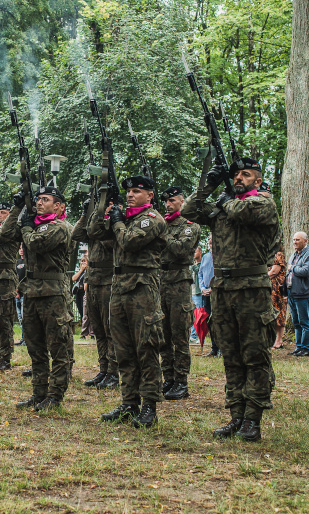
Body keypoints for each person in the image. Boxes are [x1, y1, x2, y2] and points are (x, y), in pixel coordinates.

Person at [183, 158, 280, 442]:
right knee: (231, 356)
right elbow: (189, 209)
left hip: (251, 288)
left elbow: (240, 211)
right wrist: (211, 183)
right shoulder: (225, 205)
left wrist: (224, 198)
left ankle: (253, 418)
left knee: (254, 355)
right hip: (223, 288)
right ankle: (236, 415)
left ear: (258, 181)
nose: (239, 178)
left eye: (245, 175)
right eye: (235, 174)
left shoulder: (262, 203)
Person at [95, 176, 167, 429]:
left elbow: (129, 241)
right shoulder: (125, 219)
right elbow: (93, 234)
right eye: (128, 192)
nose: (130, 195)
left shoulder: (153, 219)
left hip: (142, 287)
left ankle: (149, 406)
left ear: (150, 195)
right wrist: (106, 211)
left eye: (136, 191)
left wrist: (116, 223)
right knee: (123, 350)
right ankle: (129, 402)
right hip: (120, 285)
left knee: (145, 348)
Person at [4, 186, 74, 411]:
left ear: (59, 206)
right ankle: (38, 392)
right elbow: (5, 235)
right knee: (36, 347)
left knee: (58, 348)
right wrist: (18, 209)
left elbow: (36, 243)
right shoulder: (33, 225)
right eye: (37, 199)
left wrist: (26, 226)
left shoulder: (60, 227)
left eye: (45, 199)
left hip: (53, 293)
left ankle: (55, 396)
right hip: (32, 291)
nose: (39, 203)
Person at [158, 186, 200, 401]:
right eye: (165, 201)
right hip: (160, 283)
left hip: (179, 283)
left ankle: (182, 382)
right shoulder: (162, 225)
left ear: (183, 202)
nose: (167, 204)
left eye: (172, 200)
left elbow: (181, 250)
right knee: (163, 336)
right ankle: (169, 379)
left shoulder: (189, 226)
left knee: (179, 336)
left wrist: (162, 232)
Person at [78, 200, 119, 389]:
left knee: (111, 330)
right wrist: (87, 214)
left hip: (108, 281)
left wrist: (103, 221)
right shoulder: (95, 220)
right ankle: (103, 369)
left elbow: (113, 243)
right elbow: (77, 234)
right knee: (99, 331)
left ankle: (113, 371)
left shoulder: (113, 222)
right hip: (93, 281)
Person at [0, 202, 20, 372]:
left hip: (4, 279)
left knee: (3, 321)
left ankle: (5, 358)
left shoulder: (12, 231)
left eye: (3, 212)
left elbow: (2, 235)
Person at [286, 231, 309, 357]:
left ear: (305, 241)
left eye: (297, 240)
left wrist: (292, 268)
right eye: (293, 240)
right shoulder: (294, 255)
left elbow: (305, 271)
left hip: (302, 293)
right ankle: (298, 347)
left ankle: (306, 348)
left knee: (304, 321)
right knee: (296, 322)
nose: (295, 242)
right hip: (292, 292)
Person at [197, 245, 216, 356]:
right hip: (206, 294)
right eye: (209, 239)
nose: (210, 240)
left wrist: (214, 288)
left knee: (219, 320)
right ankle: (214, 348)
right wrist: (203, 288)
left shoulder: (221, 255)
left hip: (217, 292)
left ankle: (222, 349)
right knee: (209, 320)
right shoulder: (206, 257)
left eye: (212, 238)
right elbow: (200, 274)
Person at [269, 249, 287, 349]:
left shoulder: (278, 255)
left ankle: (279, 341)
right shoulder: (267, 254)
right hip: (269, 289)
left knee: (279, 313)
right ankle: (273, 339)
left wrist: (261, 278)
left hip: (277, 290)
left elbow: (274, 272)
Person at [72, 254, 89, 338]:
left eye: (84, 261)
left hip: (85, 293)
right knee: (81, 312)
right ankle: (85, 331)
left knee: (86, 313)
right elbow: (73, 278)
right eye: (81, 261)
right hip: (78, 293)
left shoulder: (88, 272)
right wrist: (81, 270)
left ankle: (87, 332)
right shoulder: (80, 272)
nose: (83, 263)